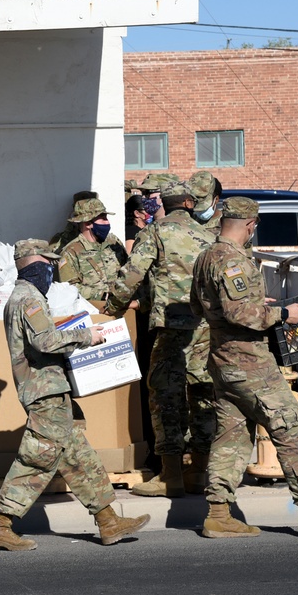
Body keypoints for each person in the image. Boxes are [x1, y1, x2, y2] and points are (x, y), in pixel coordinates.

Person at [190, 197, 298, 538]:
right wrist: (283, 313)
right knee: (290, 427)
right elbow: (240, 314)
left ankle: (218, 514)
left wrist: (258, 305)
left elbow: (200, 306)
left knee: (232, 437)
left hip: (223, 360)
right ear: (250, 225)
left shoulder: (206, 256)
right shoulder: (232, 260)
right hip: (249, 363)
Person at [0, 239, 150, 551]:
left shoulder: (26, 297)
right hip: (44, 392)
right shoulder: (27, 298)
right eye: (48, 262)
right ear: (35, 263)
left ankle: (108, 520)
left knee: (77, 456)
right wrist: (87, 336)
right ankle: (0, 525)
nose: (52, 268)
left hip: (51, 389)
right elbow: (44, 341)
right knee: (37, 459)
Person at [107, 181, 217, 498]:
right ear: (188, 203)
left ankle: (171, 476)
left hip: (172, 327)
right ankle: (199, 470)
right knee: (202, 394)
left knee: (165, 396)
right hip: (206, 326)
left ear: (163, 205)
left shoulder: (156, 232)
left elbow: (132, 273)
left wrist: (113, 307)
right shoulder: (209, 233)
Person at [56, 197, 128, 303]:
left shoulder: (113, 242)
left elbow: (128, 269)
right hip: (94, 309)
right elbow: (69, 288)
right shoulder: (71, 252)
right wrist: (102, 295)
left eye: (106, 218)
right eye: (102, 218)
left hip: (121, 306)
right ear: (87, 224)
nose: (107, 222)